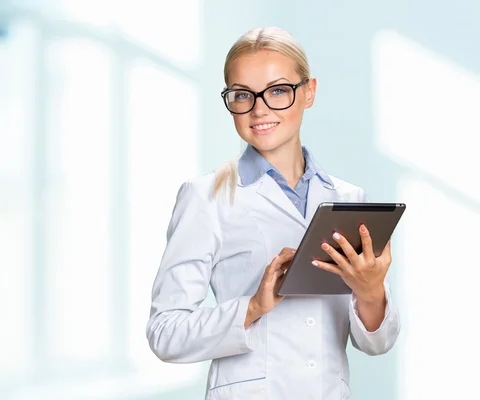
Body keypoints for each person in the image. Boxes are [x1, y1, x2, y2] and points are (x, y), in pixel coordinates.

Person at [145, 27, 400, 400]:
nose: (259, 108)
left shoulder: (347, 197)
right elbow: (164, 333)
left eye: (278, 90)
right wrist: (252, 307)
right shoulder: (205, 198)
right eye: (242, 94)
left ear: (308, 92)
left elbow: (377, 344)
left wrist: (371, 290)